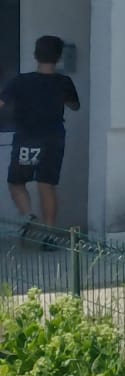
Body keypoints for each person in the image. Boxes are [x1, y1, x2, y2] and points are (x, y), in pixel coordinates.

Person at [2, 35, 81, 237]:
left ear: (35, 55)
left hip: (27, 138)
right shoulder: (64, 82)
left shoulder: (20, 81)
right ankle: (49, 234)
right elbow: (74, 106)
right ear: (59, 57)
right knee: (47, 185)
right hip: (54, 138)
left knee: (16, 183)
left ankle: (28, 216)